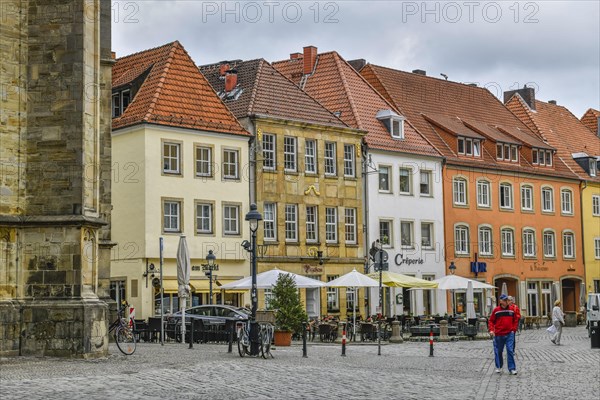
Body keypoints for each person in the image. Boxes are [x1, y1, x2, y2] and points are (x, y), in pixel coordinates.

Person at [489, 294, 519, 375]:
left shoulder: (512, 310)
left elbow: (515, 320)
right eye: (505, 300)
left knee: (510, 350)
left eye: (507, 300)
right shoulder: (496, 310)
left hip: (509, 333)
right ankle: (499, 366)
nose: (507, 302)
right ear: (501, 301)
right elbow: (491, 321)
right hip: (499, 334)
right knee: (499, 351)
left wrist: (513, 329)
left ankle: (512, 368)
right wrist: (492, 330)